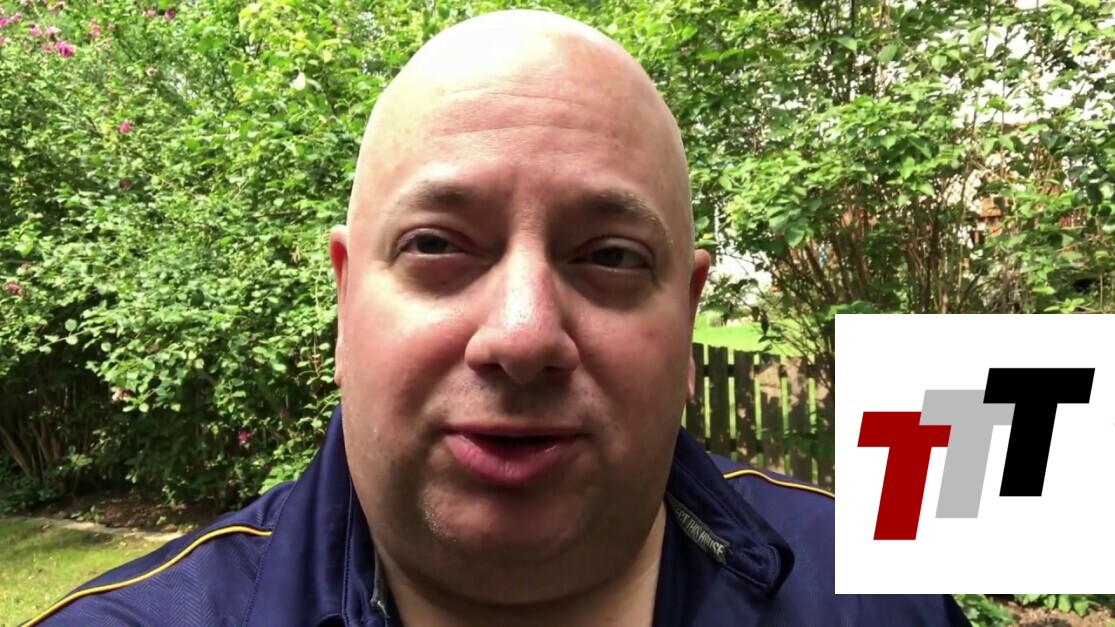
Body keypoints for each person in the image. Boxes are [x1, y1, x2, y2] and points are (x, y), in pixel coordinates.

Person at [25, 9, 970, 627]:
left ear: (686, 321)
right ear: (345, 304)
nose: (522, 336)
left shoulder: (879, 592)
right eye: (437, 245)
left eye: (610, 256)